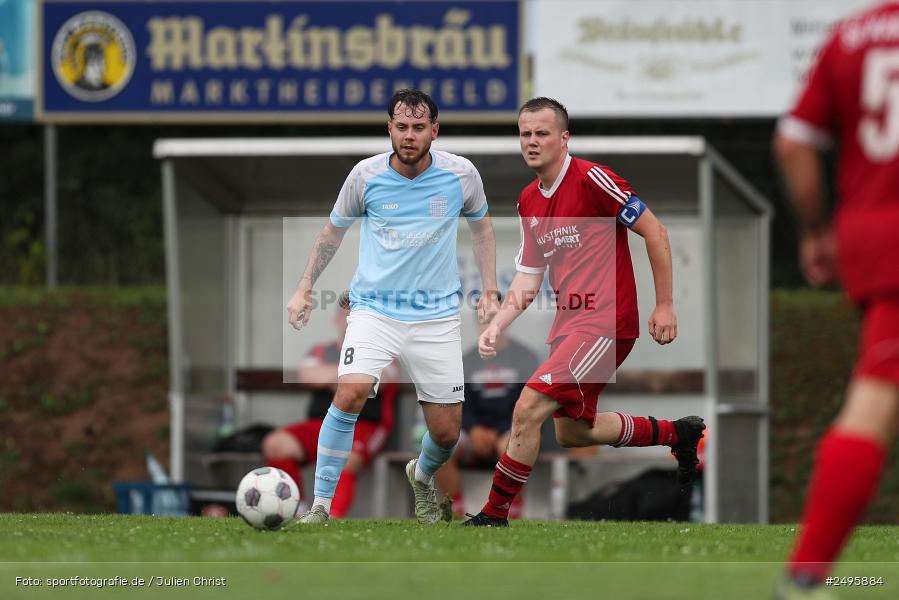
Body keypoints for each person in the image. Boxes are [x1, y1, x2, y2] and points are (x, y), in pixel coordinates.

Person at [463, 97, 706, 527]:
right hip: (570, 327)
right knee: (573, 432)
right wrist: (497, 324)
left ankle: (493, 514)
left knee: (527, 408)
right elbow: (527, 278)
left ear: (564, 138)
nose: (532, 141)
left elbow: (655, 230)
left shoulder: (593, 178)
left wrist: (664, 304)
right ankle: (678, 434)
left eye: (542, 133)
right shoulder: (528, 201)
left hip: (607, 322)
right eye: (525, 134)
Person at [286, 89, 500, 524]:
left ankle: (421, 477)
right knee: (349, 393)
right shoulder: (364, 176)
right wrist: (304, 286)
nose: (409, 136)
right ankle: (321, 507)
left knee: (445, 433)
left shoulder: (461, 174)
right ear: (389, 129)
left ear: (434, 131)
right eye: (401, 127)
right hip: (374, 310)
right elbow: (332, 234)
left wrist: (491, 291)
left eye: (418, 128)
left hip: (436, 316)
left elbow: (482, 230)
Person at [772, 3, 899, 597]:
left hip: (878, 242)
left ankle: (807, 574)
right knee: (870, 407)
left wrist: (818, 230)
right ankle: (806, 575)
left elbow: (795, 142)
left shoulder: (852, 35)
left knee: (871, 403)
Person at [263, 292, 397, 518]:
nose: (351, 319)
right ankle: (298, 509)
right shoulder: (321, 350)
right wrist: (351, 376)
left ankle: (329, 516)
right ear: (337, 319)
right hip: (320, 423)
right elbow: (308, 375)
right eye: (347, 314)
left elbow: (381, 380)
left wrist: (333, 379)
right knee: (276, 444)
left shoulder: (384, 350)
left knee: (345, 459)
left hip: (364, 427)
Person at [435, 313, 540, 518]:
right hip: (473, 432)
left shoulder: (526, 357)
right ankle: (456, 511)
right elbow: (458, 403)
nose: (489, 324)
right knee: (441, 448)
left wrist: (501, 431)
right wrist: (474, 429)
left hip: (510, 430)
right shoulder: (466, 360)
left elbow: (530, 404)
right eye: (483, 319)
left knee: (513, 445)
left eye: (495, 318)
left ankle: (511, 511)